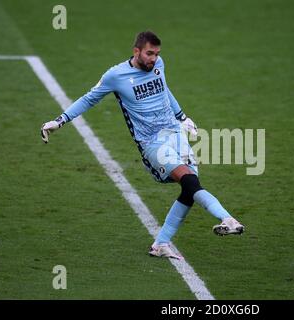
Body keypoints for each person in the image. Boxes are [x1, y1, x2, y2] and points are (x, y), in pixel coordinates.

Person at [41, 31, 245, 260]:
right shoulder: (116, 75)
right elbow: (89, 98)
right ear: (136, 51)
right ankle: (227, 219)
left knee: (190, 188)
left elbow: (163, 88)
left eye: (157, 54)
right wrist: (59, 121)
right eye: (149, 53)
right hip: (152, 143)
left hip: (175, 134)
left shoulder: (159, 65)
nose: (154, 58)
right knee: (189, 181)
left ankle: (160, 245)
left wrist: (182, 117)